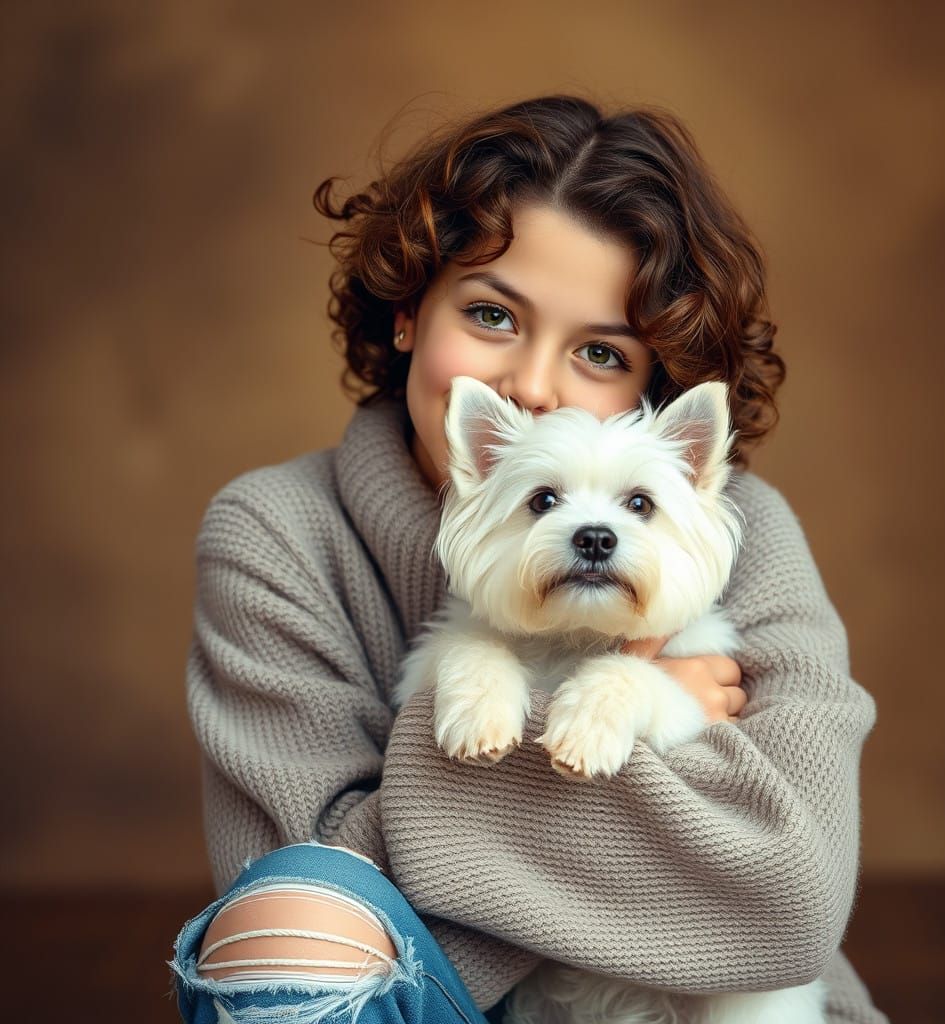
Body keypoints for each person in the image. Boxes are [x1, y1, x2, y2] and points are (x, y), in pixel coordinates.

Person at [169, 95, 887, 1024]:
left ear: (650, 382)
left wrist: (447, 829)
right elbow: (306, 901)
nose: (535, 386)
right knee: (283, 930)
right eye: (491, 315)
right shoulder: (275, 534)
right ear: (405, 314)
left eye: (599, 351)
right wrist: (596, 749)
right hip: (447, 1008)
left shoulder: (741, 531)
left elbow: (793, 895)